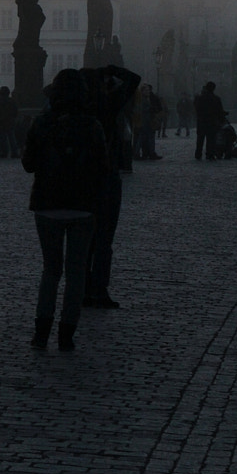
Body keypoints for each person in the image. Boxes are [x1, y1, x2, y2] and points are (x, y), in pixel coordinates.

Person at [23, 69, 111, 351]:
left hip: (48, 205)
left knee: (51, 270)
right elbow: (104, 167)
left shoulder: (42, 122)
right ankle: (66, 335)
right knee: (76, 274)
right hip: (83, 207)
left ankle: (41, 332)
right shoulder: (92, 125)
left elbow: (28, 163)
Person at [81, 65, 141, 309]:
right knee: (104, 238)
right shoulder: (108, 104)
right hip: (105, 176)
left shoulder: (71, 106)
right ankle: (99, 290)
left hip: (79, 178)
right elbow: (134, 78)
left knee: (84, 238)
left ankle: (81, 288)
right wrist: (110, 69)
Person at [194, 81, 224, 162]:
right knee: (211, 139)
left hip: (201, 121)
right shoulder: (216, 99)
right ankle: (210, 154)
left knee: (200, 139)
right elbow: (219, 111)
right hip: (212, 121)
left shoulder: (199, 98)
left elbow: (196, 109)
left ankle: (198, 154)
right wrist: (221, 120)